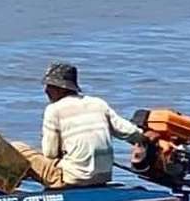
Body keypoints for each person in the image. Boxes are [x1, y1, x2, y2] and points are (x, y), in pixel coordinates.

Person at [11, 62, 144, 189]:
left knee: (16, 148)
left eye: (49, 86)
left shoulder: (54, 110)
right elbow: (130, 132)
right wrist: (145, 139)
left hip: (71, 179)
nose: (46, 91)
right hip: (102, 177)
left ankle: (6, 192)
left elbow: (50, 154)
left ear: (59, 88)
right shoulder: (98, 104)